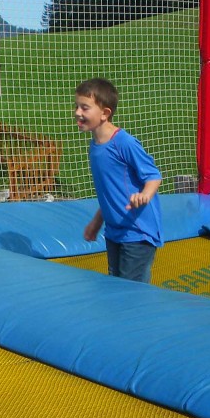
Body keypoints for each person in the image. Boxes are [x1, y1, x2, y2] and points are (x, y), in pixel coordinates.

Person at [75, 78, 163, 283]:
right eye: (77, 106)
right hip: (114, 231)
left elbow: (153, 175)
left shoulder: (124, 143)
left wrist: (144, 195)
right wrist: (96, 223)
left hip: (137, 231)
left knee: (130, 293)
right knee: (116, 286)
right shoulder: (95, 146)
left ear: (105, 113)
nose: (78, 112)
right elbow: (109, 193)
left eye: (85, 108)